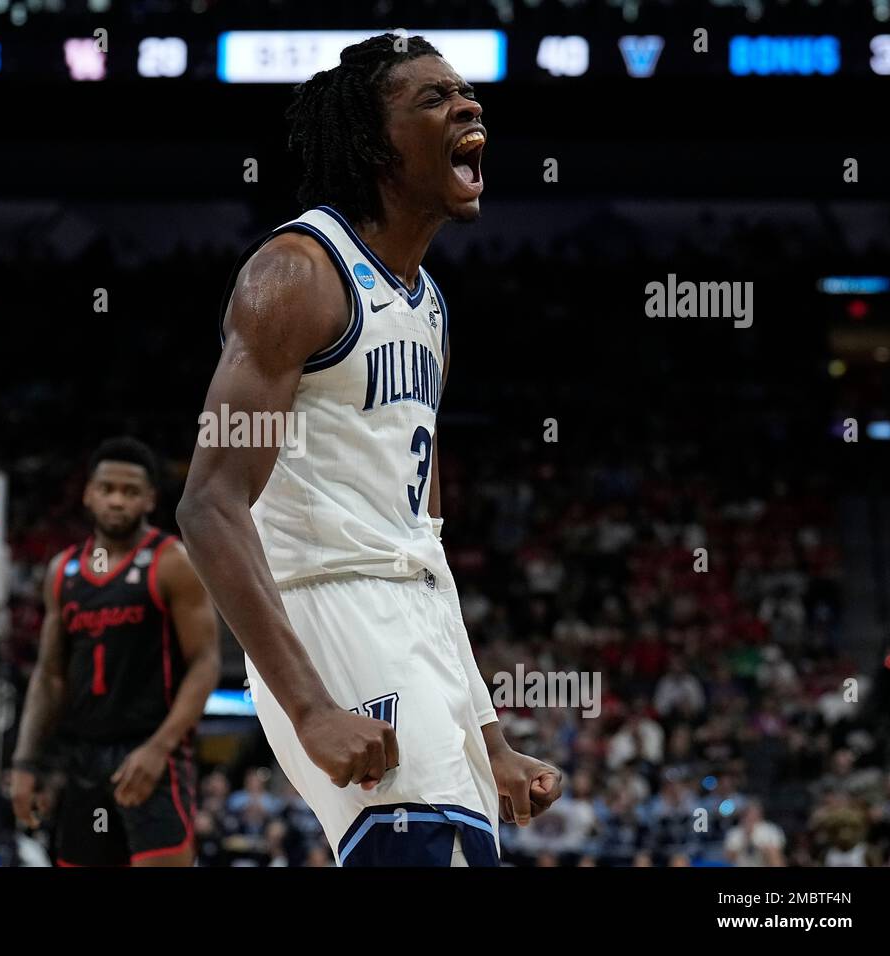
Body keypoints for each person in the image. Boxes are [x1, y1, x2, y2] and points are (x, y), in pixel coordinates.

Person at [178, 33, 561, 866]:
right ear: (373, 143)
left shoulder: (430, 308)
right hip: (325, 611)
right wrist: (311, 706)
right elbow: (208, 504)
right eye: (433, 98)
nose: (467, 104)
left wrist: (488, 737)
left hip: (411, 616)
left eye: (464, 91)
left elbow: (423, 545)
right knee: (419, 851)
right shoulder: (296, 275)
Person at [11, 437, 219, 866]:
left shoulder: (172, 563)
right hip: (83, 758)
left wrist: (159, 747)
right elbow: (49, 676)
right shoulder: (63, 572)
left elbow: (205, 663)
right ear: (89, 494)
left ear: (149, 500)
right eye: (107, 489)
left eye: (130, 491)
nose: (117, 500)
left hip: (153, 754)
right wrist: (26, 762)